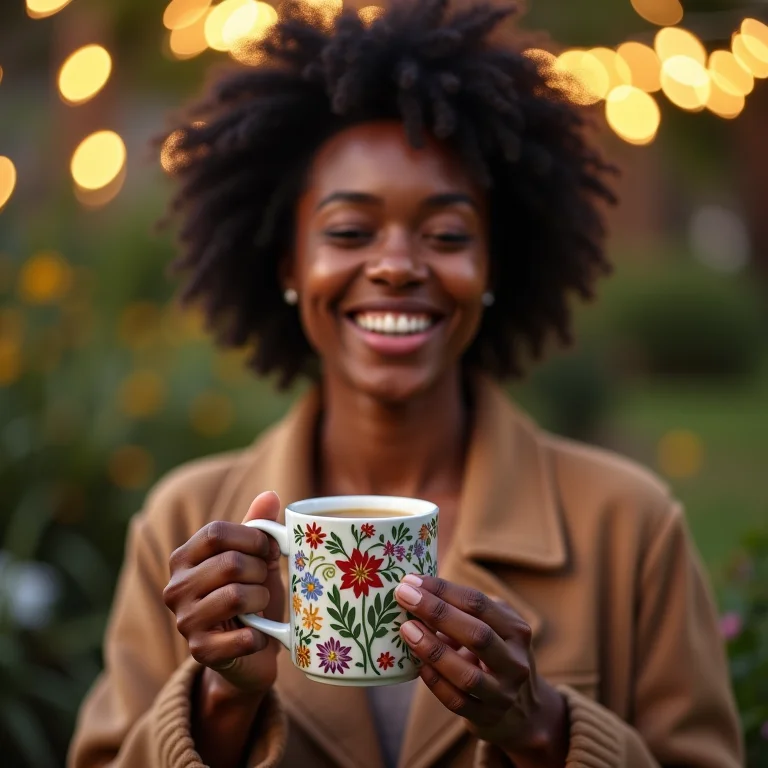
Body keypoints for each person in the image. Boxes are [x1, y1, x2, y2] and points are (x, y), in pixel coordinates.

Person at [68, 2, 743, 767]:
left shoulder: (630, 529)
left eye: (448, 235)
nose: (397, 265)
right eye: (350, 232)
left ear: (493, 266)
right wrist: (221, 702)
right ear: (289, 266)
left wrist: (545, 729)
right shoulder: (187, 522)